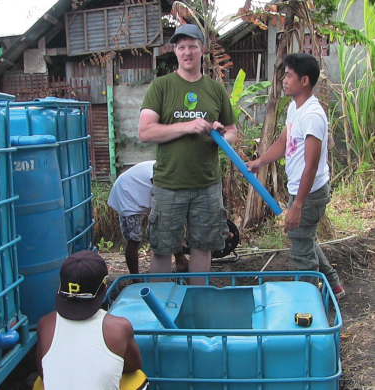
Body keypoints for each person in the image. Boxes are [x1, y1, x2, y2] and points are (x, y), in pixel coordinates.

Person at [138, 24, 237, 284]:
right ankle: (159, 311)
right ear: (175, 51)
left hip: (207, 184)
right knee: (161, 249)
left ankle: (199, 303)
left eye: (192, 46)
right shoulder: (161, 86)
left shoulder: (215, 89)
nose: (187, 52)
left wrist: (219, 132)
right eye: (181, 47)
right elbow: (145, 131)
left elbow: (232, 132)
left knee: (203, 247)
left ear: (202, 49)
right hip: (169, 183)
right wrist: (188, 126)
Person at [246, 53, 345, 298]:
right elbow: (285, 140)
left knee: (301, 252)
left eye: (289, 76)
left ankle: (310, 307)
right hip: (300, 190)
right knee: (304, 239)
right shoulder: (294, 108)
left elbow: (311, 165)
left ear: (304, 81)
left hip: (309, 193)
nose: (284, 81)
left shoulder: (312, 115)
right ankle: (334, 285)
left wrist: (298, 205)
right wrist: (261, 161)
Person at [35, 250, 145, 390]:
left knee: (40, 383)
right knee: (137, 378)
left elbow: (44, 373)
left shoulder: (45, 324)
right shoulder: (119, 327)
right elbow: (134, 365)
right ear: (104, 289)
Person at [107, 160, 190, 277]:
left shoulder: (173, 171)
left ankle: (181, 261)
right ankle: (135, 279)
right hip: (126, 193)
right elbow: (159, 193)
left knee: (168, 224)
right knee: (134, 238)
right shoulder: (163, 170)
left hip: (141, 191)